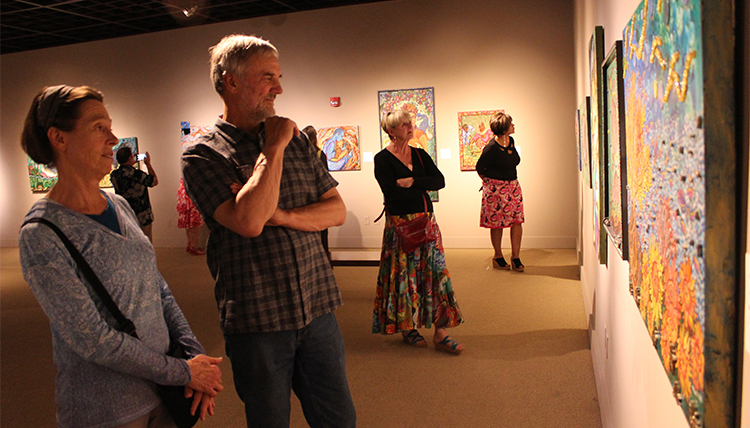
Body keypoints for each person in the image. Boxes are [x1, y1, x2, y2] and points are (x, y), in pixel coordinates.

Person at [18, 85, 223, 428]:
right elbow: (93, 339)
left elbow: (157, 288)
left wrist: (193, 354)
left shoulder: (121, 206)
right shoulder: (42, 234)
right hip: (107, 409)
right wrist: (183, 371)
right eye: (99, 127)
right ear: (59, 138)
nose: (113, 138)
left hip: (165, 393)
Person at [181, 35, 356, 428]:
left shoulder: (299, 143)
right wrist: (272, 148)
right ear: (231, 82)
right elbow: (246, 222)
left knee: (339, 419)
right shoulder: (203, 154)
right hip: (257, 319)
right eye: (267, 77)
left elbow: (337, 210)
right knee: (269, 421)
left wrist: (280, 216)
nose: (279, 88)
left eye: (278, 77)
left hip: (317, 309)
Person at [373, 109, 464, 355]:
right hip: (400, 227)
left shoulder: (420, 155)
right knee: (404, 278)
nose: (409, 127)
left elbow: (439, 182)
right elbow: (391, 194)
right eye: (403, 124)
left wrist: (413, 181)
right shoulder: (382, 160)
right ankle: (407, 327)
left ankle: (441, 331)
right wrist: (422, 185)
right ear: (391, 131)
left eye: (409, 123)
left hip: (426, 223)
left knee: (436, 275)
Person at [476, 111, 525, 272]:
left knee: (517, 221)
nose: (513, 125)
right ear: (504, 128)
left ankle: (515, 257)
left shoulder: (510, 141)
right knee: (497, 223)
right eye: (511, 124)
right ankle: (498, 256)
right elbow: (480, 168)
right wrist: (491, 184)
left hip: (513, 187)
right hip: (495, 189)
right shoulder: (491, 148)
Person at [110, 146, 158, 242]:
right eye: (132, 156)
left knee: (131, 243)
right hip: (142, 215)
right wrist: (148, 164)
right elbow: (154, 181)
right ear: (129, 158)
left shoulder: (114, 175)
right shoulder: (137, 174)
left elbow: (125, 173)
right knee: (146, 242)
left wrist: (130, 163)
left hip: (126, 214)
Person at [301, 125, 331, 263]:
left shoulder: (304, 155)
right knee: (322, 231)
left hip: (307, 198)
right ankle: (324, 261)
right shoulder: (320, 154)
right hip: (318, 198)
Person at [176, 177, 205, 255]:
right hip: (192, 194)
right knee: (194, 221)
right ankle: (194, 246)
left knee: (188, 220)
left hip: (184, 194)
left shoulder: (186, 168)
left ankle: (190, 244)